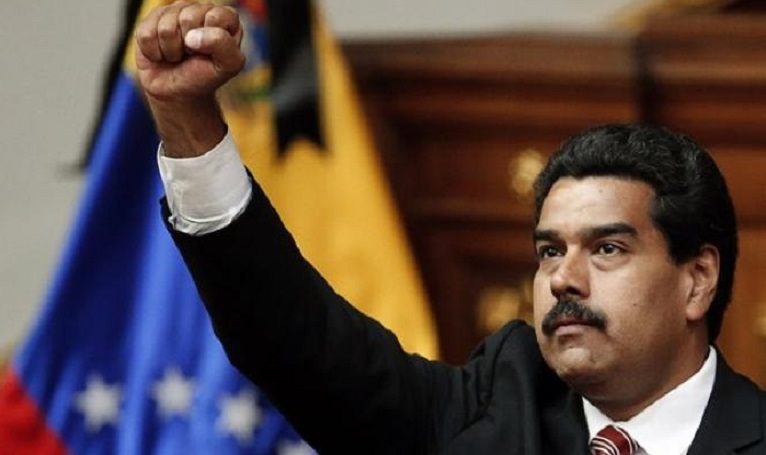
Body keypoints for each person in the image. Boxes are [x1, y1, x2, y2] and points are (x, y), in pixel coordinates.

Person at [135, 3, 766, 454]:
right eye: (550, 251)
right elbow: (295, 340)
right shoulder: (495, 404)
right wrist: (189, 124)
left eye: (606, 248)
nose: (563, 280)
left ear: (697, 279)